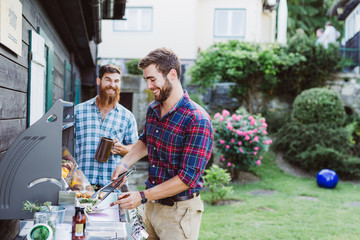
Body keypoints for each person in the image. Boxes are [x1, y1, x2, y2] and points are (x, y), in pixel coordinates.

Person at [111, 48, 214, 240]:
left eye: (153, 79)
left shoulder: (197, 119)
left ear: (172, 74)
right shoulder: (154, 109)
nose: (149, 86)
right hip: (151, 207)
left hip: (179, 213)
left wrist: (141, 196)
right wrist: (123, 165)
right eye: (146, 80)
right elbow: (145, 140)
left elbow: (187, 178)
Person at [74, 64, 138, 187]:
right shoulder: (78, 111)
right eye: (107, 80)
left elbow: (135, 149)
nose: (112, 85)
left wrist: (123, 149)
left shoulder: (127, 117)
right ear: (99, 81)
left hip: (112, 187)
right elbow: (65, 146)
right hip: (81, 186)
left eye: (116, 81)